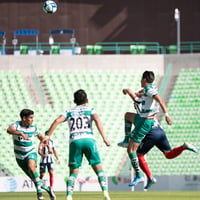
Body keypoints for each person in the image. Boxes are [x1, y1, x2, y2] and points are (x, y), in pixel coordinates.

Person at [42, 89, 111, 200]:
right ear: (87, 100)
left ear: (74, 100)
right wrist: (104, 138)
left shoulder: (69, 111)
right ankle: (105, 193)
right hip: (89, 139)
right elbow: (97, 120)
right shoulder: (90, 110)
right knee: (98, 168)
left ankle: (69, 196)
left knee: (73, 172)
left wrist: (48, 136)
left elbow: (57, 120)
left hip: (75, 141)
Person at [118, 111, 198, 190]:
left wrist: (127, 138)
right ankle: (183, 147)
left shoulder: (139, 117)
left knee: (139, 155)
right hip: (160, 131)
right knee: (168, 154)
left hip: (151, 134)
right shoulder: (150, 115)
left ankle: (149, 177)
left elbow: (128, 115)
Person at [122, 71, 173, 187]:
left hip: (145, 121)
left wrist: (167, 115)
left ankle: (139, 175)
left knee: (131, 150)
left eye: (141, 79)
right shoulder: (148, 89)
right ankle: (126, 139)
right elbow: (142, 95)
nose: (140, 81)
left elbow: (159, 100)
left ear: (144, 79)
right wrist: (135, 92)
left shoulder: (150, 90)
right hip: (142, 118)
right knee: (127, 116)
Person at [7, 109, 56, 200]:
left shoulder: (33, 128)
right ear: (24, 118)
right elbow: (9, 130)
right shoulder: (16, 125)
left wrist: (48, 146)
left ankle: (39, 194)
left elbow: (41, 137)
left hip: (30, 152)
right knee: (34, 178)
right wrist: (20, 133)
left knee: (31, 167)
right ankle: (48, 189)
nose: (32, 120)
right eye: (30, 118)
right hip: (19, 156)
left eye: (33, 117)